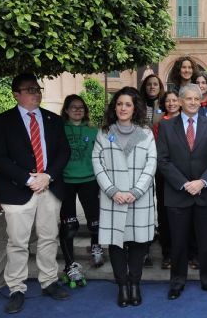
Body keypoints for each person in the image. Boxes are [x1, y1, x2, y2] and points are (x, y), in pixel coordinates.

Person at [0, 73, 71, 314]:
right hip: (17, 191)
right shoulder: (3, 121)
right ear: (17, 94)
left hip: (49, 187)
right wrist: (27, 179)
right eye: (30, 89)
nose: (36, 93)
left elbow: (63, 153)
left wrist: (48, 176)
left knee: (49, 237)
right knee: (18, 242)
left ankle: (49, 281)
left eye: (38, 88)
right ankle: (16, 288)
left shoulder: (53, 120)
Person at [156, 84, 207, 300]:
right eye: (189, 99)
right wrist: (185, 183)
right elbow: (163, 161)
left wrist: (202, 182)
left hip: (205, 193)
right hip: (178, 194)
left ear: (201, 100)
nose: (193, 102)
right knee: (178, 242)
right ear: (180, 101)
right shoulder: (166, 127)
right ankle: (177, 282)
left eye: (197, 98)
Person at [92, 87, 156, 307]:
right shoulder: (104, 132)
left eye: (128, 104)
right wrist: (112, 191)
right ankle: (122, 286)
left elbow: (151, 163)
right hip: (113, 198)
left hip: (139, 198)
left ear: (135, 107)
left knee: (138, 243)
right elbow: (97, 163)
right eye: (119, 104)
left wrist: (136, 191)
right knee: (116, 244)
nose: (123, 108)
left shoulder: (145, 133)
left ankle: (135, 284)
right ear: (114, 106)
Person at [59, 95, 102, 289]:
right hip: (66, 181)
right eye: (73, 107)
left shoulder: (94, 131)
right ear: (66, 110)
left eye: (81, 107)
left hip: (89, 180)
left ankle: (96, 247)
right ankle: (70, 265)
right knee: (69, 226)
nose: (78, 110)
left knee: (95, 221)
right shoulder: (58, 130)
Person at [152, 90, 182, 269]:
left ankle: (188, 253)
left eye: (174, 100)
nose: (171, 103)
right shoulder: (159, 123)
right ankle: (168, 254)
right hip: (164, 172)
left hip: (185, 172)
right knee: (165, 214)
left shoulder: (187, 119)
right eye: (168, 101)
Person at [139, 74, 165, 268]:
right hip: (142, 159)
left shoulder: (165, 104)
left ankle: (164, 236)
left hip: (162, 157)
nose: (152, 87)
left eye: (155, 84)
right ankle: (145, 244)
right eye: (148, 84)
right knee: (146, 200)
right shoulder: (137, 105)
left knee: (163, 200)